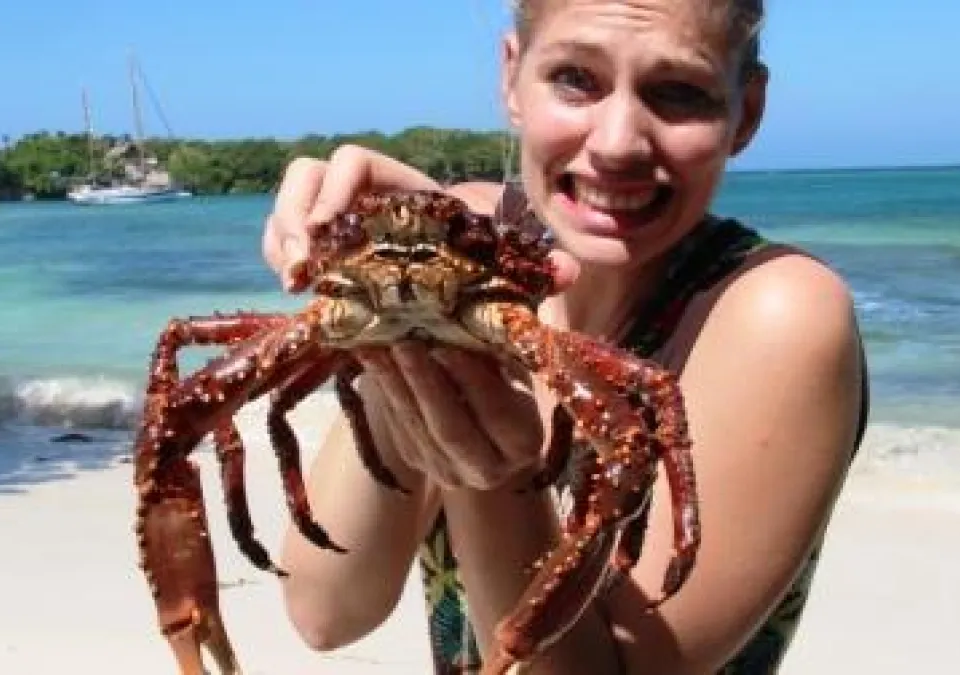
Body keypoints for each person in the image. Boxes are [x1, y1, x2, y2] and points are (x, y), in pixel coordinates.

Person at [262, 0, 868, 673]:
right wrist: (401, 320)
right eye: (576, 78)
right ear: (512, 78)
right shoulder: (474, 237)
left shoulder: (777, 314)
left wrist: (496, 476)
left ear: (745, 112)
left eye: (678, 92)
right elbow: (326, 609)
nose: (617, 143)